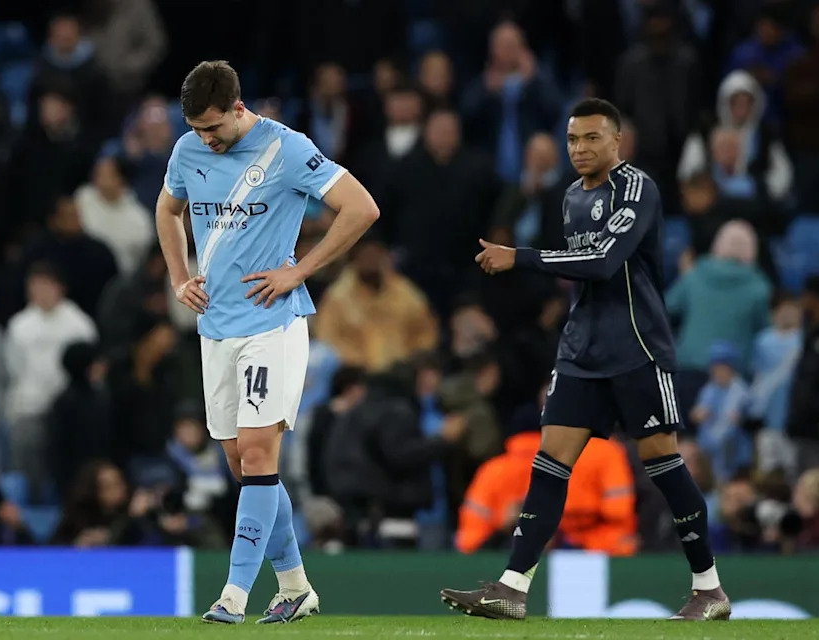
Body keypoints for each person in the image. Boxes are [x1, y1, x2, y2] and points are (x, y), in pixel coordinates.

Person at [442, 98, 730, 621]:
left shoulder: (638, 188)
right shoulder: (572, 195)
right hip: (582, 351)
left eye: (592, 138)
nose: (580, 148)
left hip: (636, 347)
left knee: (663, 464)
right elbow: (581, 268)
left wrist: (521, 257)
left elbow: (602, 261)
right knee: (550, 464)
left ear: (617, 141)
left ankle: (708, 588)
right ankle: (512, 586)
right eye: (573, 139)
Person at [155, 61, 379, 624]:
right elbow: (167, 207)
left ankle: (232, 596)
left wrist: (298, 272)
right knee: (243, 465)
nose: (205, 139)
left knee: (258, 455)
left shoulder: (287, 149)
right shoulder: (187, 149)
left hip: (271, 322)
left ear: (238, 108)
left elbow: (361, 208)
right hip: (216, 327)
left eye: (213, 128)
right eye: (196, 129)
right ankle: (297, 587)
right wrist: (179, 276)